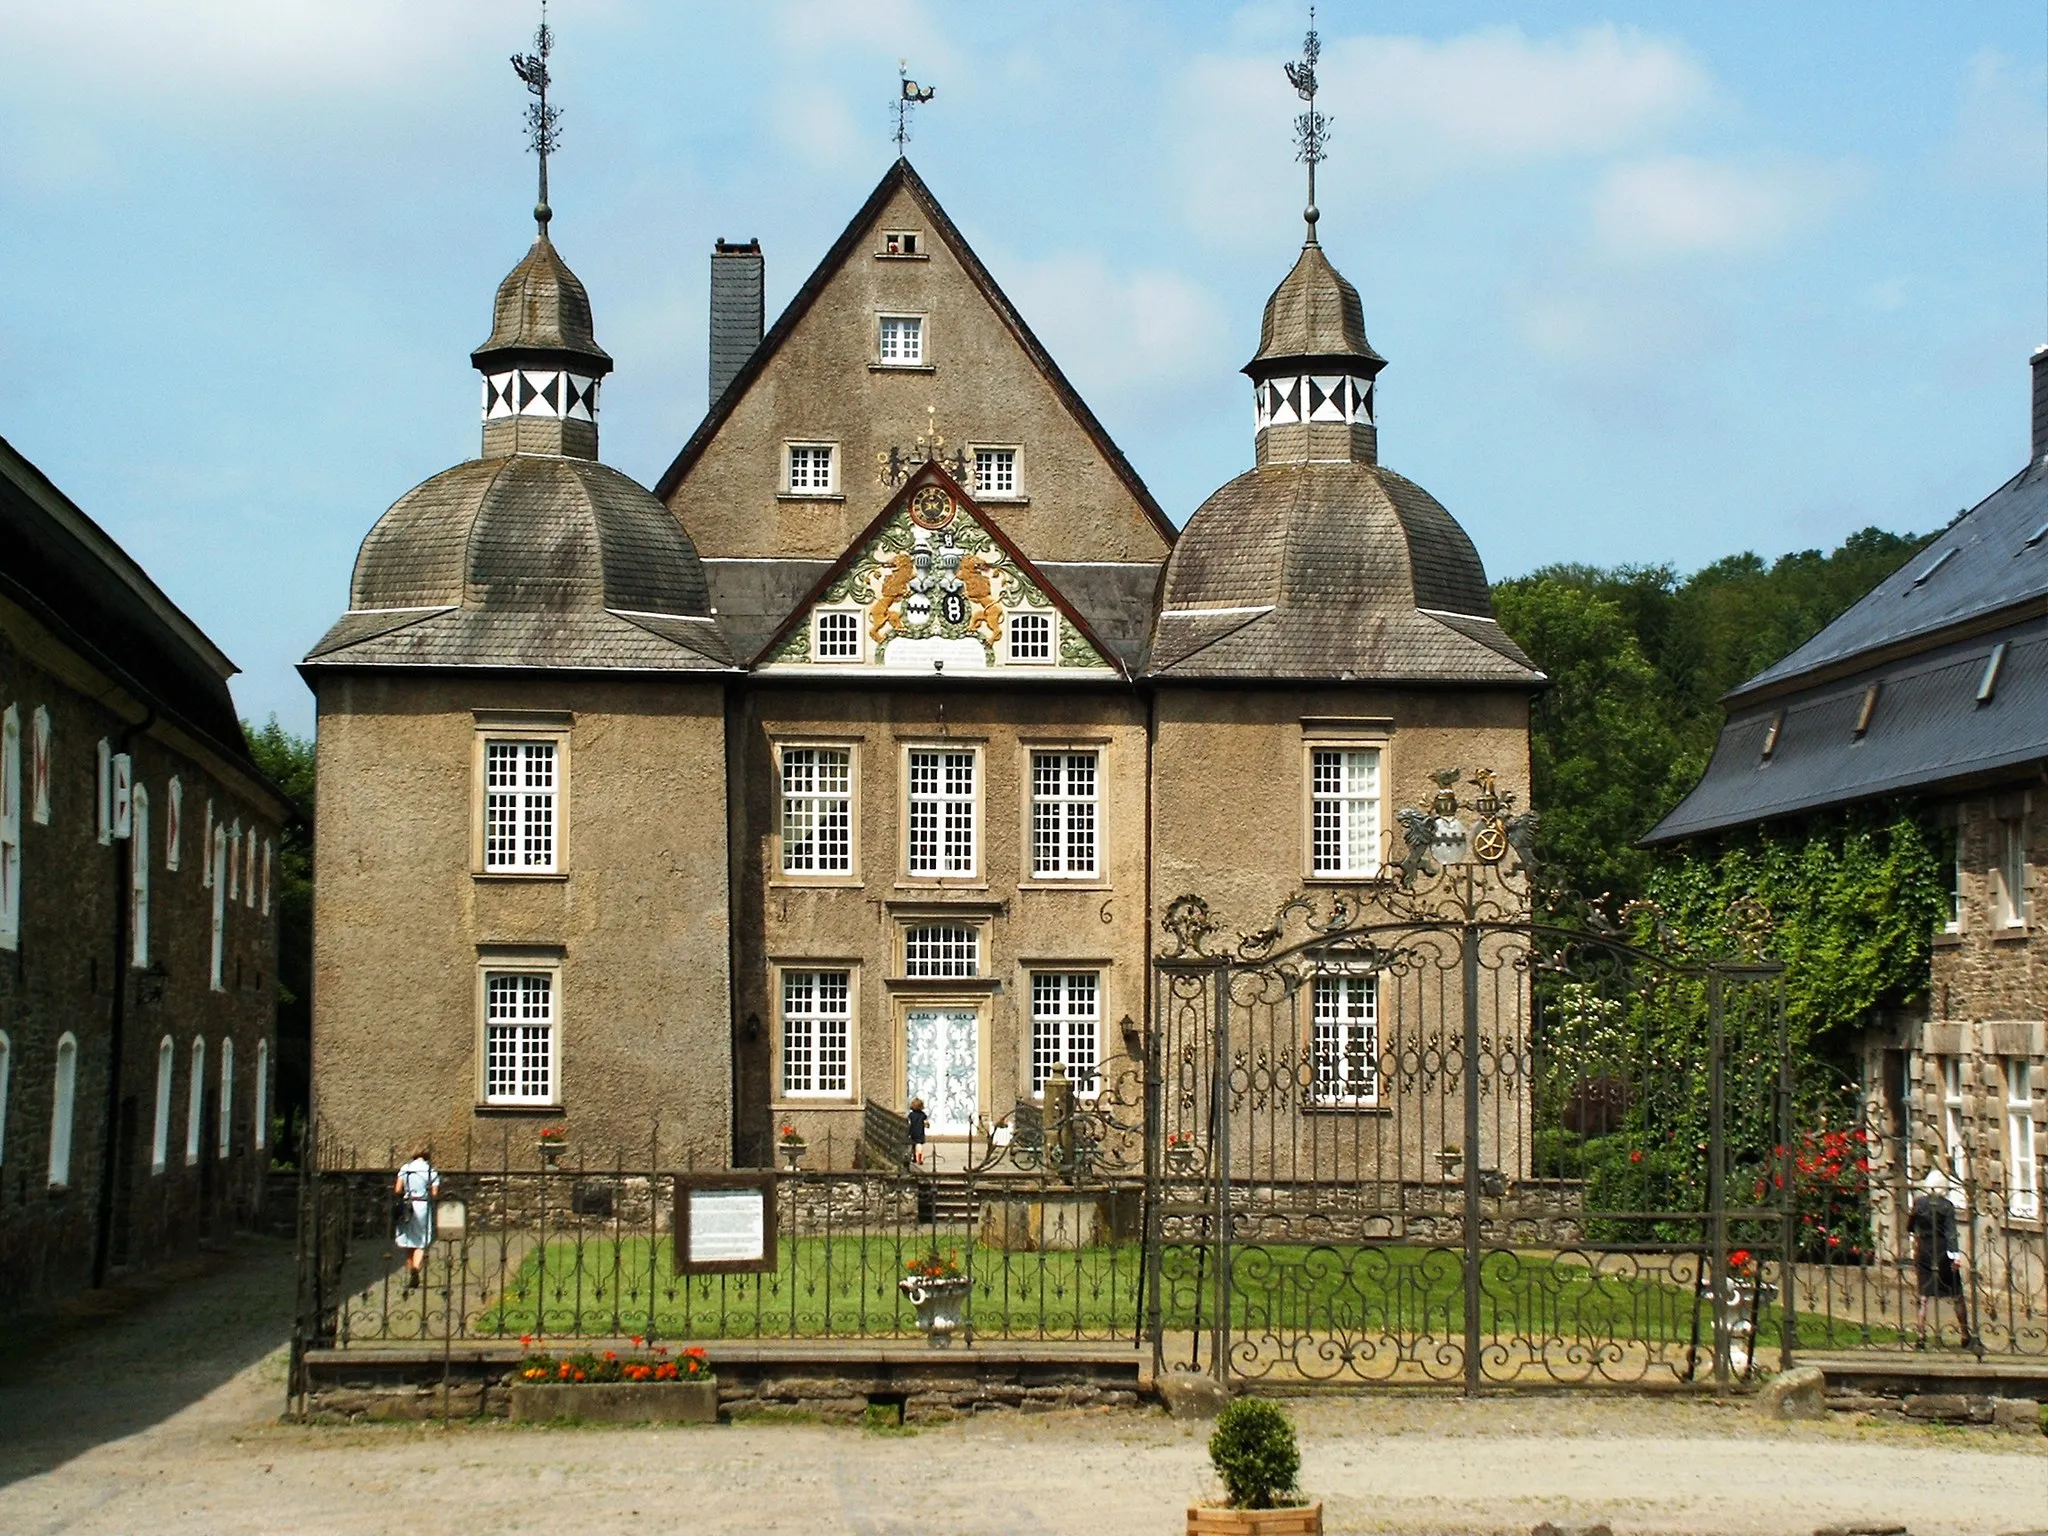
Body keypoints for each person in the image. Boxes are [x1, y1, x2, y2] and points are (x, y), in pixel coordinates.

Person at [1908, 1168, 1972, 1349]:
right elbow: (1951, 1232)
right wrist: (1956, 1255)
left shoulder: (1918, 1203)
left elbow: (1910, 1226)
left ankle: (1920, 1336)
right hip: (1942, 1252)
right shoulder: (1946, 1206)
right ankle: (1965, 1333)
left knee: (1923, 1295)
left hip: (1924, 1251)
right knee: (1956, 1294)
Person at [393, 1146, 441, 1289]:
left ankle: (411, 1268)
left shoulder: (405, 1168)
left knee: (407, 1239)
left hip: (407, 1204)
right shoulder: (431, 1171)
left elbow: (397, 1189)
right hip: (422, 1204)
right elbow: (434, 1193)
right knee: (421, 1239)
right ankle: (416, 1267)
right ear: (426, 1156)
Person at [906, 1097, 928, 1168]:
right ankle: (919, 1157)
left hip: (912, 1131)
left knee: (913, 1145)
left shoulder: (911, 1115)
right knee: (919, 1145)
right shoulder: (923, 1115)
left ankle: (914, 1157)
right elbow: (925, 1122)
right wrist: (927, 1125)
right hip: (920, 1131)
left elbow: (908, 1122)